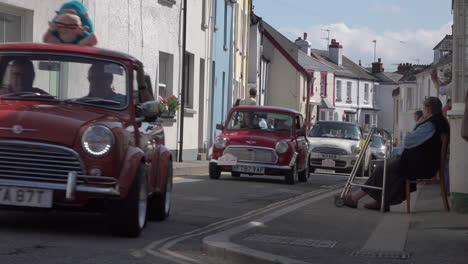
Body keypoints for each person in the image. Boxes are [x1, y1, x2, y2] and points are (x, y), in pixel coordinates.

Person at [340, 97, 450, 211]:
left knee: (382, 169)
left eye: (424, 109)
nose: (422, 112)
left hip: (422, 166)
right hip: (426, 163)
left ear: (428, 110)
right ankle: (381, 201)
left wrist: (418, 123)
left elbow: (408, 141)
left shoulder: (429, 125)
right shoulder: (440, 122)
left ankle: (355, 198)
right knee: (387, 168)